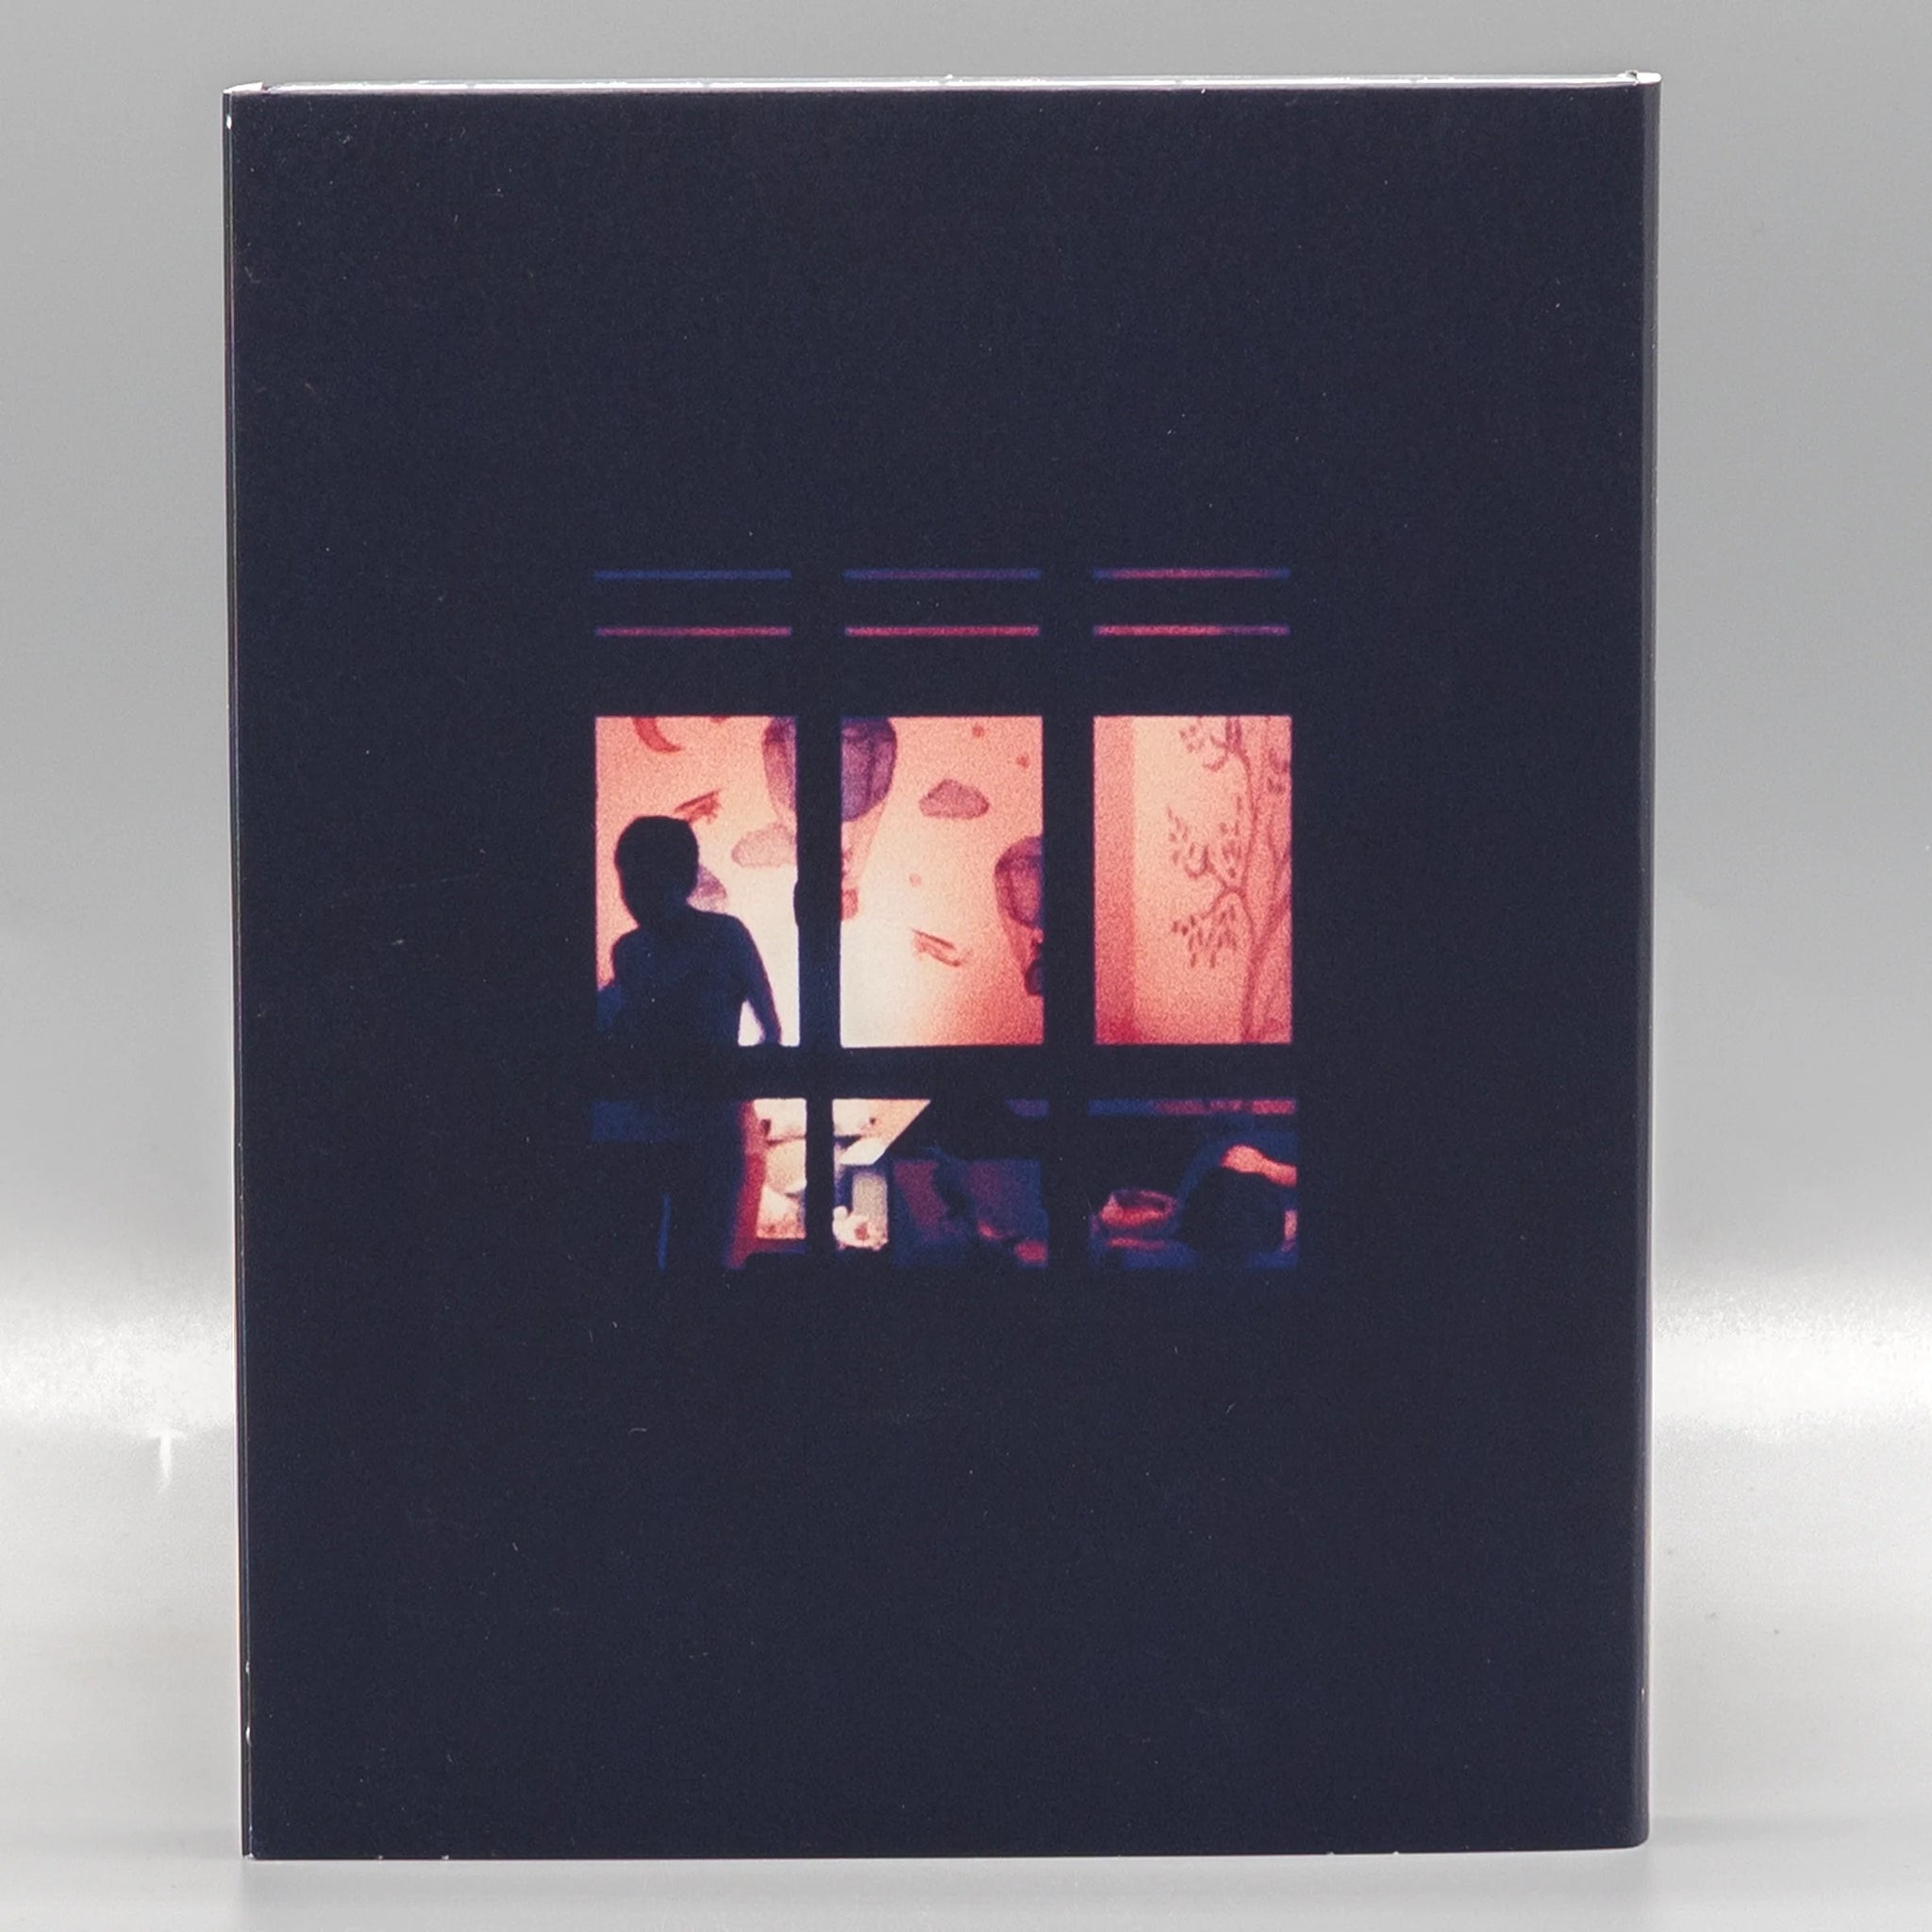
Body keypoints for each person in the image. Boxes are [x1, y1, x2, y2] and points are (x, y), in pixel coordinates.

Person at [594, 816, 780, 1269]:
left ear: (686, 879)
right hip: (654, 1125)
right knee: (669, 1264)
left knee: (695, 1263)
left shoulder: (724, 936)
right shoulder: (632, 950)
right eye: (629, 882)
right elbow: (770, 1034)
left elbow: (771, 1033)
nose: (634, 895)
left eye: (646, 882)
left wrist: (732, 1086)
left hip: (704, 1128)